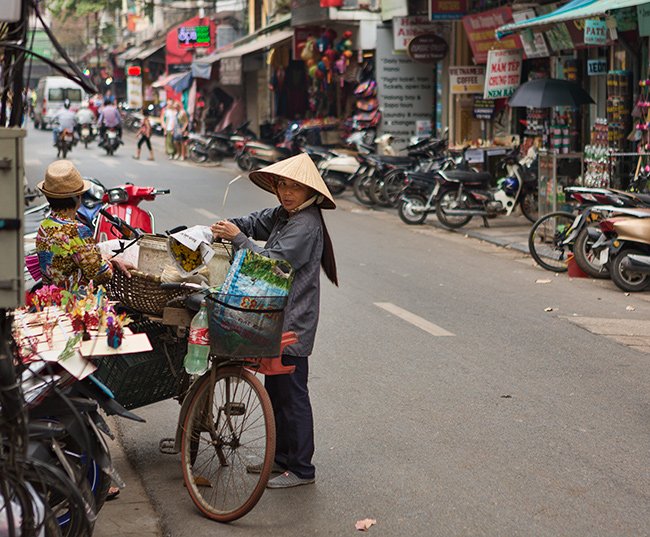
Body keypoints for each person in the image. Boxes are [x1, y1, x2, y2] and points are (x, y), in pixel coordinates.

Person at [211, 153, 338, 489]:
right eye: (282, 184)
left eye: (294, 186)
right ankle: (280, 458)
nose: (286, 191)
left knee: (293, 395)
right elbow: (256, 220)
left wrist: (238, 238)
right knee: (277, 392)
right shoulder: (285, 215)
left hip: (294, 323)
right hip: (277, 317)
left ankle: (301, 468)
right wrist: (231, 226)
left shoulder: (306, 224)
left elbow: (271, 264)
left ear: (308, 190)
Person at [35, 160, 130, 288]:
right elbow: (101, 273)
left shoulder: (44, 226)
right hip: (75, 304)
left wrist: (102, 258)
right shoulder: (77, 231)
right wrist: (109, 262)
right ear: (77, 197)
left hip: (49, 299)